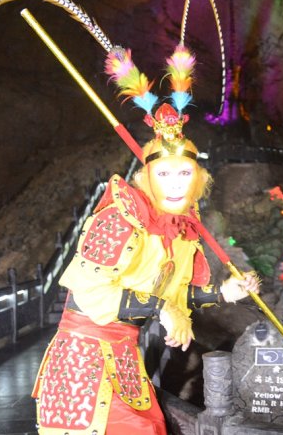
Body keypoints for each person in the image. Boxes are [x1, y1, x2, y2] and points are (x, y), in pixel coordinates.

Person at [32, 46, 259, 434]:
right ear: (148, 178)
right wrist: (161, 309)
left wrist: (224, 293)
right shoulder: (120, 216)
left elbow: (172, 292)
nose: (175, 185)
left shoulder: (182, 229)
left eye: (184, 174)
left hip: (125, 357)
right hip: (84, 361)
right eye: (165, 175)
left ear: (197, 178)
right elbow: (89, 292)